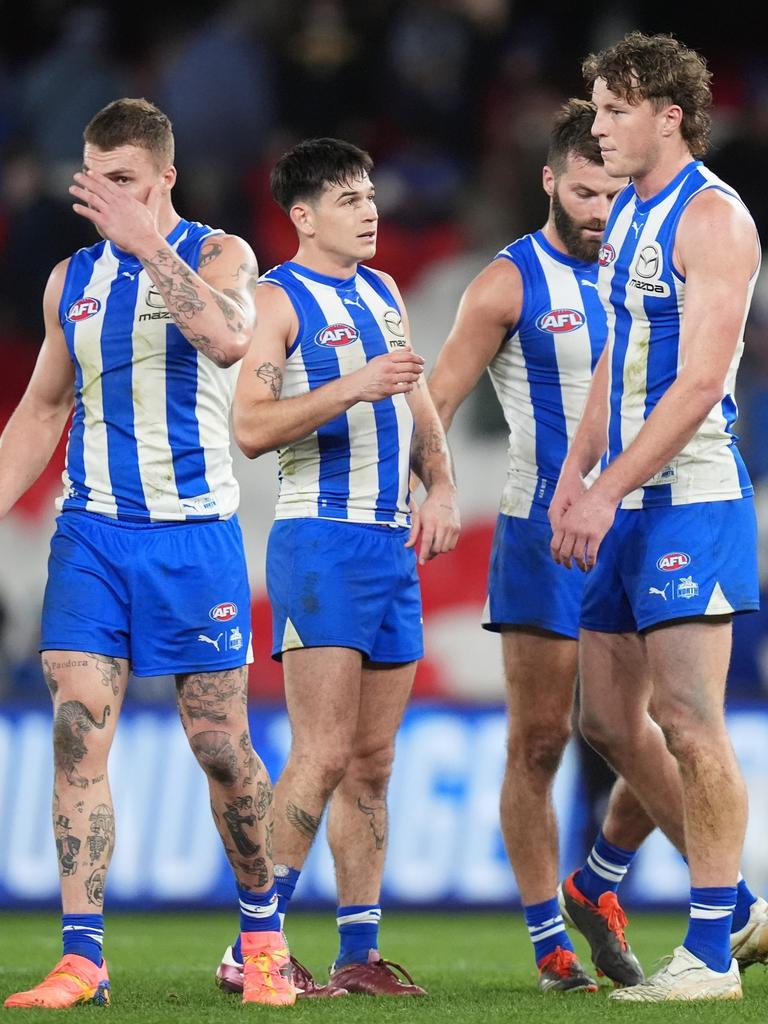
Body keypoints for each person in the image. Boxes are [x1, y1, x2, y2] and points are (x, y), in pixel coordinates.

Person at [1, 98, 293, 1009]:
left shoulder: (217, 255)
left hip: (194, 537)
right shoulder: (69, 282)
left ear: (165, 178)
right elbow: (44, 410)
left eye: (124, 181)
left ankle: (263, 940)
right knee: (76, 732)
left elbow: (228, 338)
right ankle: (83, 958)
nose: (107, 199)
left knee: (218, 746)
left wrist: (144, 240)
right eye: (96, 182)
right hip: (91, 534)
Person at [214, 137, 460, 998]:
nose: (370, 210)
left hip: (391, 544)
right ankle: (255, 948)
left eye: (370, 195)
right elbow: (250, 427)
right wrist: (351, 385)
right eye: (350, 199)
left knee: (372, 762)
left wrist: (441, 487)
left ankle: (358, 954)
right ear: (304, 216)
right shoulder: (276, 302)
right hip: (320, 540)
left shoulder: (385, 292)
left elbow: (422, 405)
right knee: (318, 753)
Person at [550, 32, 763, 1002]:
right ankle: (609, 879)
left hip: (693, 498)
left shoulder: (712, 219)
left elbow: (699, 382)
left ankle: (714, 948)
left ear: (668, 116)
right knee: (606, 719)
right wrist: (573, 472)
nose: (597, 128)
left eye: (612, 110)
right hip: (624, 497)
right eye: (596, 110)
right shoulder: (631, 212)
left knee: (687, 720)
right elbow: (617, 355)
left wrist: (607, 487)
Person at [427, 98, 649, 992]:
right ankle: (551, 942)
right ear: (552, 180)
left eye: (616, 193)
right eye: (588, 192)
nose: (602, 211)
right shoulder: (507, 283)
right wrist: (433, 486)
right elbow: (435, 400)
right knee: (541, 741)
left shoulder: (650, 265)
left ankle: (599, 882)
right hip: (539, 534)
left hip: (641, 518)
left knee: (653, 730)